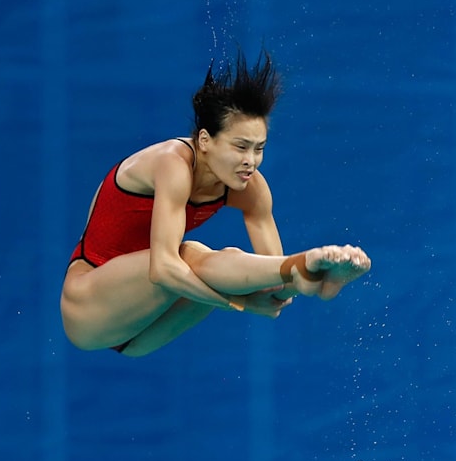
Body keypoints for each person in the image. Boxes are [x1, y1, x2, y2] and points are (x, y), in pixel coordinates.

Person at [61, 50, 371, 357]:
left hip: (143, 333)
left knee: (251, 269)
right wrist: (240, 302)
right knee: (191, 256)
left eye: (259, 148)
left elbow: (272, 281)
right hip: (88, 307)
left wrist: (295, 282)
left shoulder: (251, 188)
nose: (251, 161)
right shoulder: (173, 163)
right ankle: (305, 266)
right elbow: (163, 269)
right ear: (206, 140)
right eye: (240, 147)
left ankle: (316, 277)